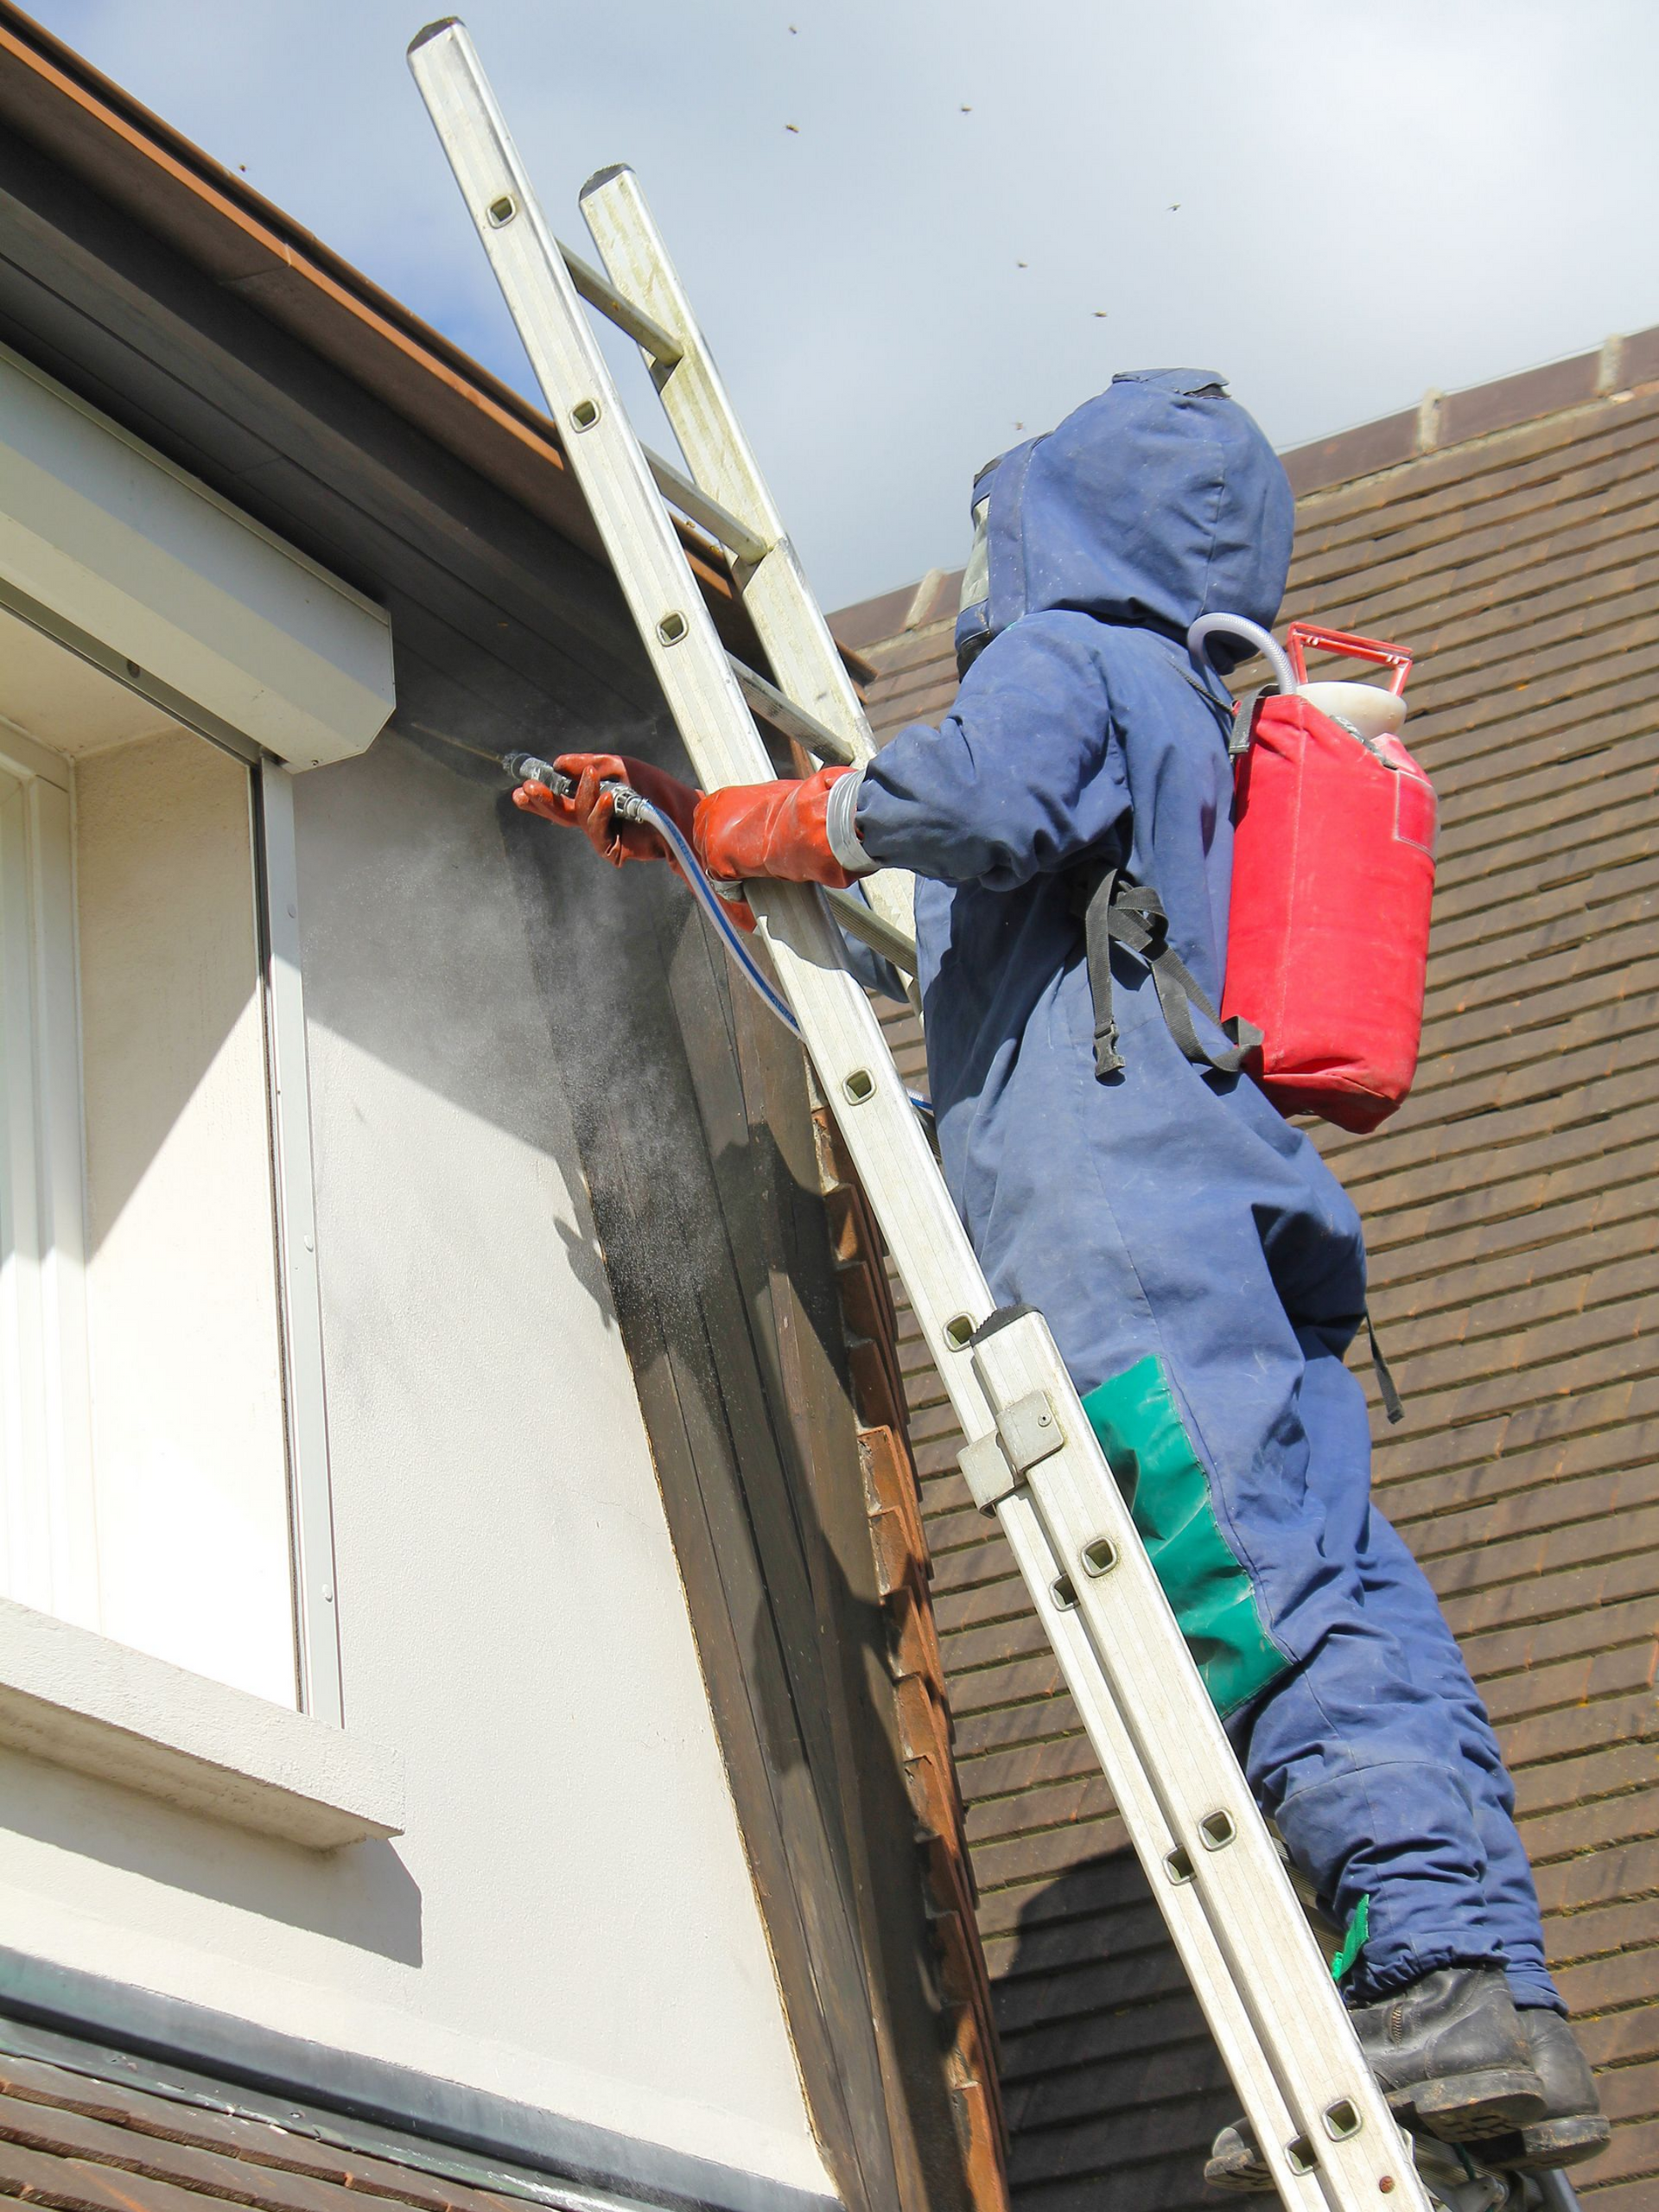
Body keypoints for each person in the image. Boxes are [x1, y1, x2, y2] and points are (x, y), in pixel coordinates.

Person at [515, 370, 1605, 2186]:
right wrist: (702, 832)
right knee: (1349, 1594)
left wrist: (746, 824)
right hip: (1224, 1227)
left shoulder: (1073, 655)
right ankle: (1480, 2009)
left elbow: (976, 797)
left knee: (1248, 1600)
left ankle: (1422, 1968)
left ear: (1058, 526)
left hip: (1127, 1254)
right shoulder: (1193, 705)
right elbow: (1024, 917)